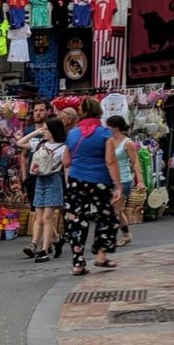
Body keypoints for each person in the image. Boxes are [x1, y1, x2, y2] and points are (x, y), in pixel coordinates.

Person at [63, 96, 122, 276]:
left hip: (76, 181)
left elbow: (66, 161)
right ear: (99, 113)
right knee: (107, 216)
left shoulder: (72, 134)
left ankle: (78, 263)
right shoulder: (105, 134)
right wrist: (118, 186)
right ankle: (101, 255)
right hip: (100, 181)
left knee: (77, 220)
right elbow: (110, 162)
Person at [26, 117, 67, 263]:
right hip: (39, 180)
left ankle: (44, 249)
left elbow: (67, 167)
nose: (44, 132)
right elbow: (20, 143)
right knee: (39, 217)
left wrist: (68, 186)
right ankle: (56, 240)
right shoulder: (41, 144)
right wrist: (35, 132)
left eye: (46, 129)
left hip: (53, 179)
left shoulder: (62, 147)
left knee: (47, 217)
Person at [16, 99, 51, 257]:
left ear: (48, 111)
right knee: (37, 211)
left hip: (48, 175)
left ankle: (41, 242)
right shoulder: (30, 130)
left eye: (41, 110)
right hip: (32, 175)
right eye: (35, 110)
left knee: (45, 212)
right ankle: (50, 241)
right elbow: (23, 155)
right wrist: (24, 177)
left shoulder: (52, 129)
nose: (38, 113)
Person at [106, 114, 144, 247]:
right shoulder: (109, 140)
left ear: (116, 127)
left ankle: (109, 238)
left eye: (109, 126)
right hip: (111, 178)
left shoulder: (127, 143)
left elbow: (135, 162)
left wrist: (140, 181)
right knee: (117, 209)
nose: (108, 128)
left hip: (124, 180)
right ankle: (126, 234)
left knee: (115, 210)